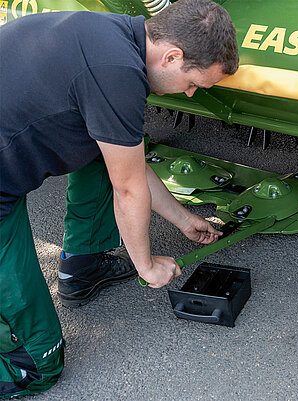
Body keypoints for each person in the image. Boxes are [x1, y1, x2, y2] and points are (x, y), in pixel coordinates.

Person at [0, 0, 239, 397]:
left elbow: (128, 161)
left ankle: (83, 266)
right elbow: (128, 190)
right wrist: (147, 266)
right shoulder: (118, 74)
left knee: (103, 152)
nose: (192, 94)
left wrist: (182, 219)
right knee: (38, 362)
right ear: (172, 56)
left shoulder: (116, 34)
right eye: (194, 82)